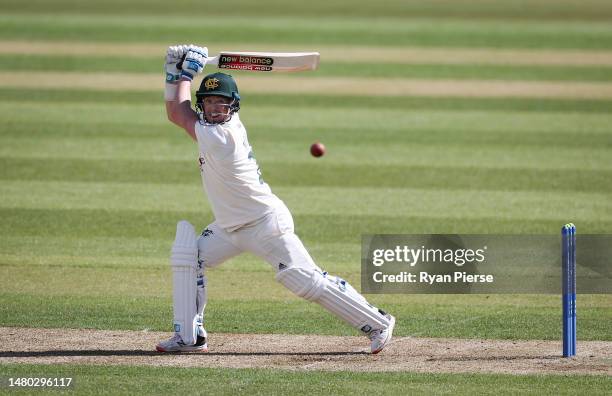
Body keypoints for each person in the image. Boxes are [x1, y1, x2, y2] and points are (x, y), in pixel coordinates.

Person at [156, 44, 395, 354]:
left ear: (234, 107)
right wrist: (175, 74)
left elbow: (177, 112)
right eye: (209, 102)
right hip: (229, 228)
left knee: (302, 279)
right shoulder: (210, 128)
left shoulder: (222, 137)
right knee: (190, 259)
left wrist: (182, 75)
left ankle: (377, 321)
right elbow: (180, 111)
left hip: (263, 224)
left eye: (221, 103)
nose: (215, 108)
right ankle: (190, 336)